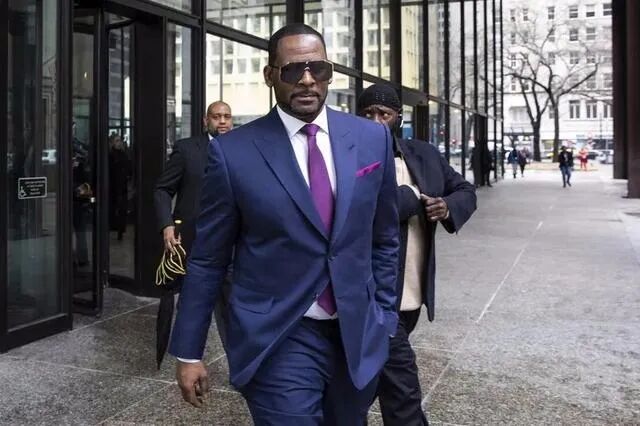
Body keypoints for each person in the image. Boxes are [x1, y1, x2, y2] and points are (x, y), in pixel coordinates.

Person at [169, 24, 399, 425]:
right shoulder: (233, 153)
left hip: (356, 333)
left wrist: (384, 316)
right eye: (293, 70)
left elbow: (384, 238)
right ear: (270, 75)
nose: (307, 80)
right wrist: (189, 350)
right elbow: (208, 259)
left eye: (318, 69)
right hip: (278, 335)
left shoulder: (371, 139)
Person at [357, 84, 477, 426]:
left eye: (384, 114)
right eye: (368, 114)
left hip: (412, 291)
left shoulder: (424, 154)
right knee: (402, 387)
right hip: (372, 295)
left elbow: (465, 190)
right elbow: (365, 210)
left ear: (398, 117)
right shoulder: (348, 156)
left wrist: (446, 206)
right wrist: (411, 195)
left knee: (365, 381)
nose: (376, 121)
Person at [153, 101, 233, 367]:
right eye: (216, 117)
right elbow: (162, 189)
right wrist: (167, 225)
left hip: (232, 241)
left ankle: (238, 362)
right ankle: (186, 358)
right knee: (191, 302)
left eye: (227, 116)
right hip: (193, 241)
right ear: (205, 121)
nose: (222, 121)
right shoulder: (187, 149)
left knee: (232, 305)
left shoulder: (241, 149)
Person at [108, 134, 131, 241]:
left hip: (122, 186)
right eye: (116, 141)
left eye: (119, 140)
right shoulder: (110, 155)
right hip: (113, 187)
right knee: (115, 208)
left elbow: (129, 168)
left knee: (122, 208)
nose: (119, 143)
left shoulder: (124, 154)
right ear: (112, 143)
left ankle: (121, 229)